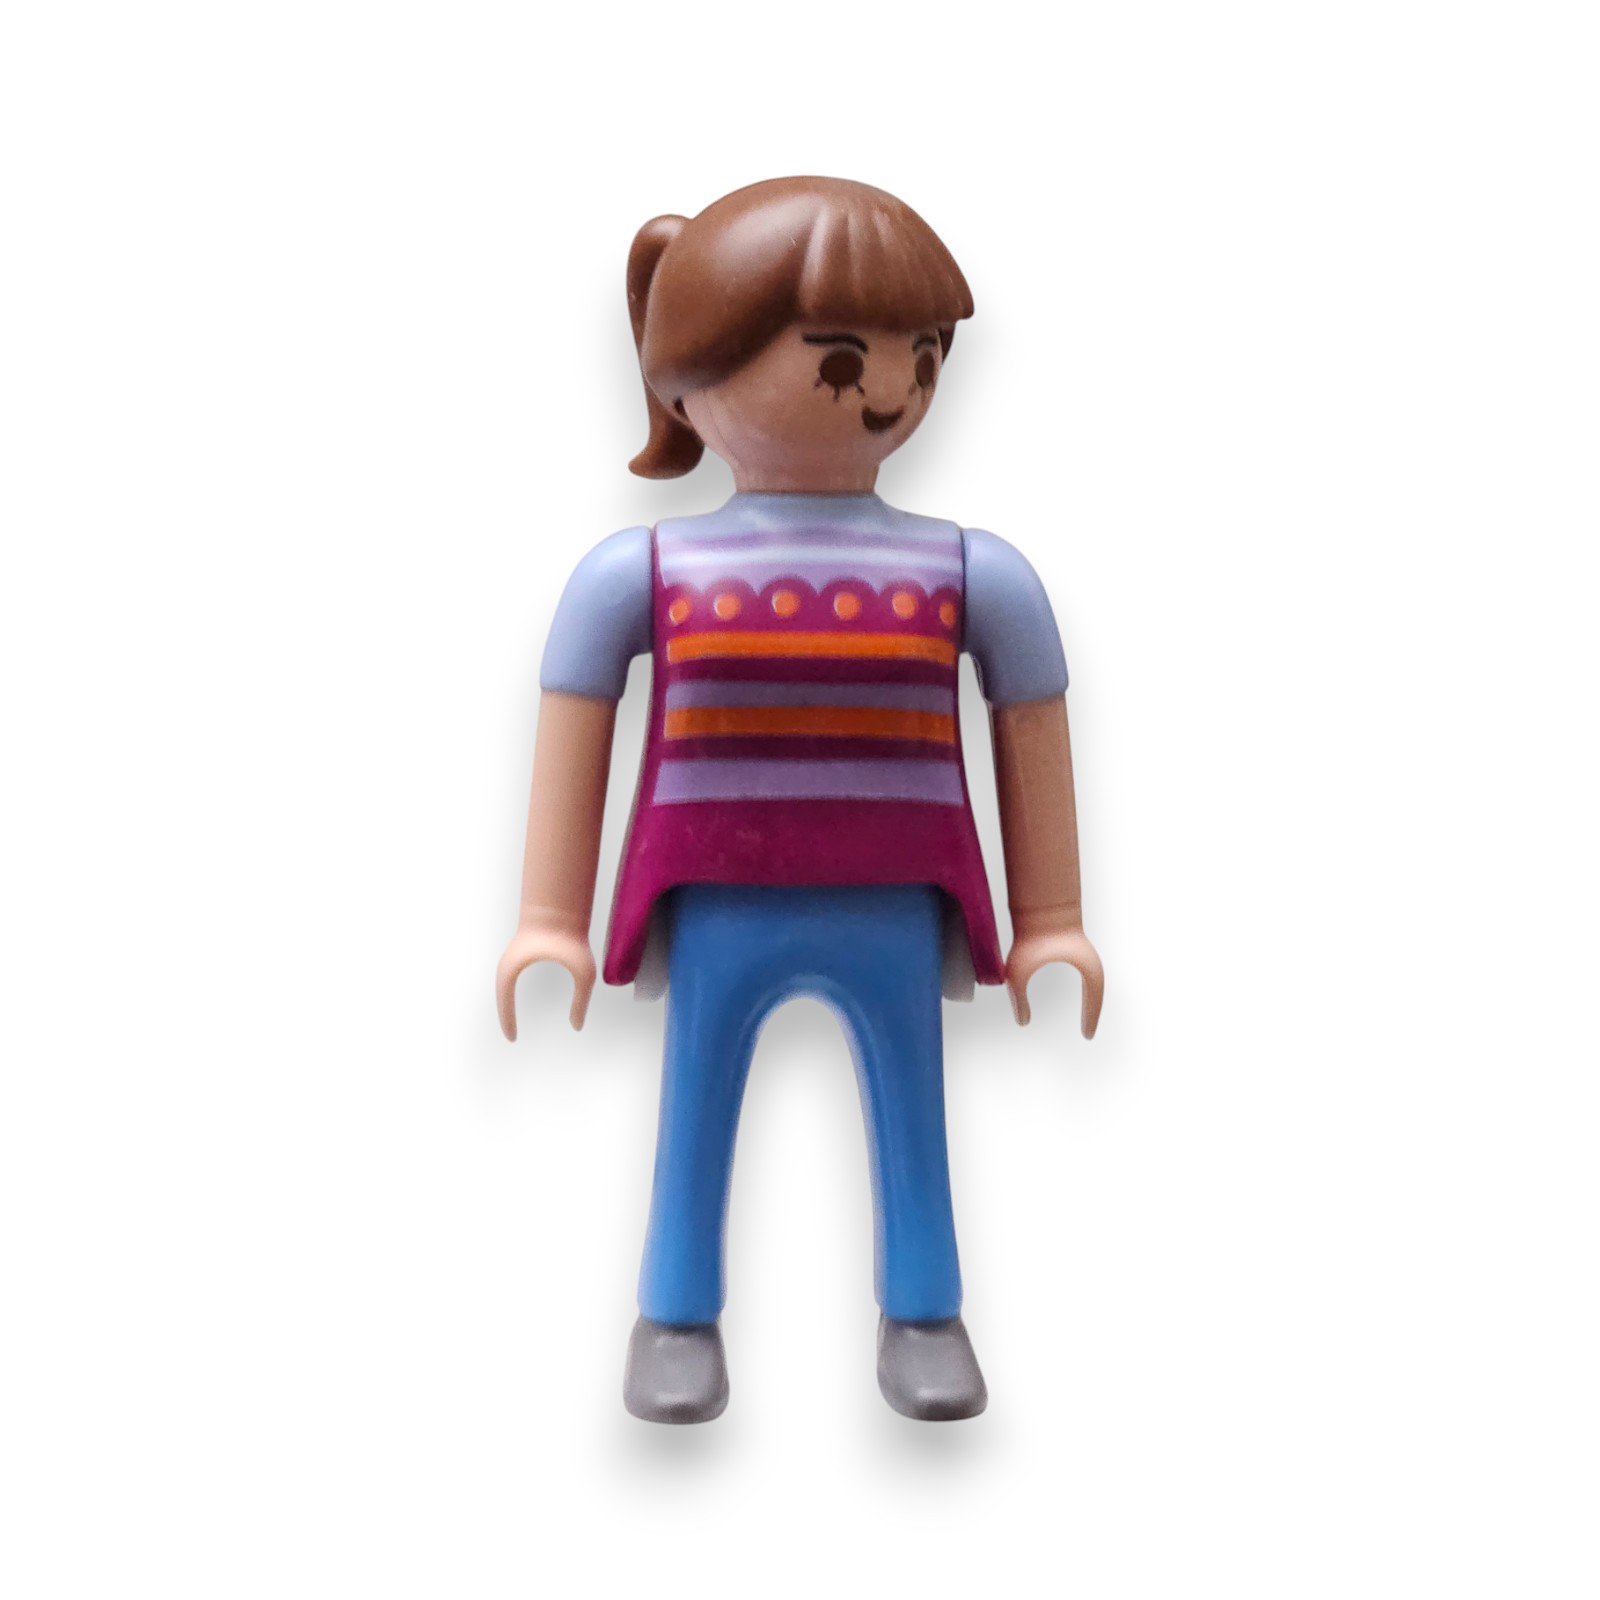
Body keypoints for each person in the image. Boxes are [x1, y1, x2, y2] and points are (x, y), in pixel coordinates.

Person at [496, 176, 1104, 1423]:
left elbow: (1030, 722)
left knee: (913, 1109)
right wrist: (547, 919)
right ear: (688, 375)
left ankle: (923, 1307)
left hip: (896, 894)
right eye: (839, 363)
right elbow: (576, 719)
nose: (889, 388)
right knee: (696, 1100)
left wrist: (1053, 920)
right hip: (720, 895)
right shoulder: (646, 570)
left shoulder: (969, 572)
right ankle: (675, 1310)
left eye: (920, 357)